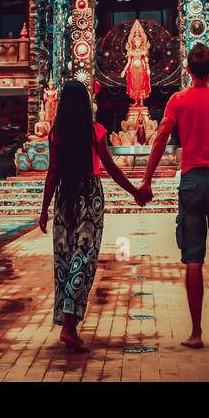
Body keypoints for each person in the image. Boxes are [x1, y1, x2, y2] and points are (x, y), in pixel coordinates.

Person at [136, 43, 209, 348]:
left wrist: (146, 180)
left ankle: (196, 333)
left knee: (193, 259)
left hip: (190, 181)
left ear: (188, 71)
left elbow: (161, 137)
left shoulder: (178, 100)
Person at [39, 79, 145, 351]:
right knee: (83, 257)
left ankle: (67, 323)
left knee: (64, 257)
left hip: (65, 195)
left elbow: (52, 173)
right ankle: (69, 326)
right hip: (90, 195)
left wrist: (44, 210)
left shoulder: (56, 133)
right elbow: (110, 167)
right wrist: (134, 191)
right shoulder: (94, 131)